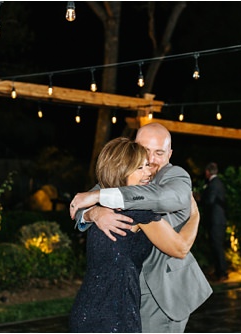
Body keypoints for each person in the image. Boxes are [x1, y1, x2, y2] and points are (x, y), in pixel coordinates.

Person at [70, 123, 212, 332]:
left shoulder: (176, 176)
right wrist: (94, 213)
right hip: (118, 295)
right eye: (145, 152)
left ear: (170, 154)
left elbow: (167, 198)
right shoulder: (121, 175)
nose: (151, 161)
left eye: (159, 153)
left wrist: (100, 197)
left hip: (163, 291)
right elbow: (79, 208)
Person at [202, 163, 229, 281]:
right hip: (218, 219)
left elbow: (210, 201)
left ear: (208, 172)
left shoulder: (213, 184)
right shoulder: (218, 183)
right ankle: (219, 271)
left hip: (216, 220)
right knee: (216, 245)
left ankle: (222, 273)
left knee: (217, 246)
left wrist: (200, 199)